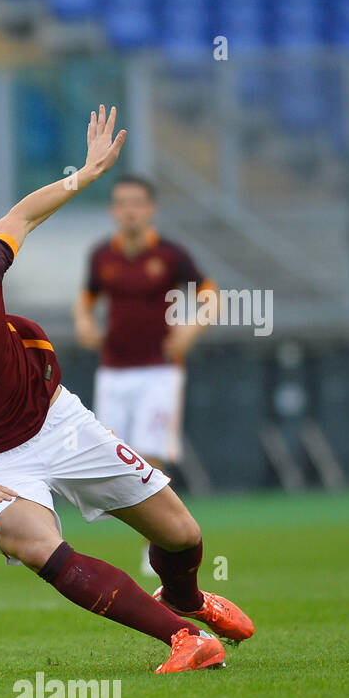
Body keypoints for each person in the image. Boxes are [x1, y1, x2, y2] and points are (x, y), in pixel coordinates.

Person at [0, 106, 253, 676]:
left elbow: (21, 216)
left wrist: (82, 177)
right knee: (34, 543)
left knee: (183, 535)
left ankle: (185, 599)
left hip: (59, 422)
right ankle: (185, 637)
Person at [73, 176, 216, 571]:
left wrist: (190, 329)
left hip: (160, 371)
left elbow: (210, 295)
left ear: (150, 208)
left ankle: (158, 546)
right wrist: (85, 324)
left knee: (150, 457)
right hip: (114, 371)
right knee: (115, 458)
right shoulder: (102, 255)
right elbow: (86, 300)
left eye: (137, 202)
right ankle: (145, 534)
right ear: (113, 210)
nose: (129, 210)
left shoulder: (170, 255)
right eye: (122, 203)